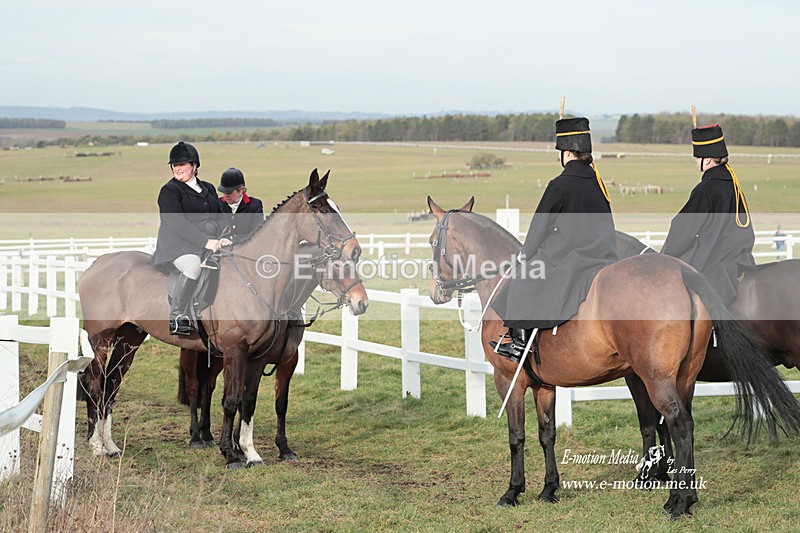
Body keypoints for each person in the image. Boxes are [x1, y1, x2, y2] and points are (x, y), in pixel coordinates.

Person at [490, 117, 618, 361]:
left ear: (566, 152)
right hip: (604, 254)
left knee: (523, 279)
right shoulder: (598, 183)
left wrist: (525, 256)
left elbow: (540, 227)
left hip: (573, 257)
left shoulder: (560, 184)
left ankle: (518, 344)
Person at [661, 124, 755, 306]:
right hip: (740, 259)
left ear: (708, 159)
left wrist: (665, 256)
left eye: (698, 157)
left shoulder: (707, 189)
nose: (696, 161)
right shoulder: (732, 183)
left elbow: (683, 229)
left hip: (715, 263)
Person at [151, 141, 231, 335]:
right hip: (178, 246)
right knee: (193, 266)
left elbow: (220, 215)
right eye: (174, 165)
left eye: (182, 164)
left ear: (194, 165)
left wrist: (224, 236)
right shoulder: (169, 191)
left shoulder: (208, 188)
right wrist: (206, 241)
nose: (177, 168)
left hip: (209, 244)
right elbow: (177, 223)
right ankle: (177, 316)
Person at [217, 167, 264, 241]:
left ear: (241, 190)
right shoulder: (217, 204)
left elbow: (257, 234)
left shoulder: (255, 205)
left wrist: (233, 240)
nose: (225, 195)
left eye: (229, 192)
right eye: (223, 192)